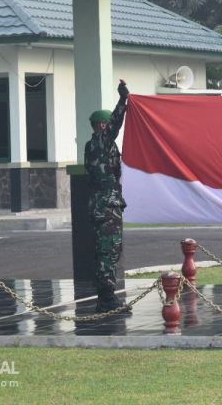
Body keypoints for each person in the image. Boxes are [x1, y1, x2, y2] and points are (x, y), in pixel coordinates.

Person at [85, 79, 129, 313]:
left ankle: (106, 298)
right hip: (106, 206)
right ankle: (107, 299)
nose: (107, 127)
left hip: (100, 205)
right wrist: (123, 98)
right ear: (100, 126)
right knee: (108, 251)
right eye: (105, 124)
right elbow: (116, 123)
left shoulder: (91, 145)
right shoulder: (102, 141)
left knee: (106, 251)